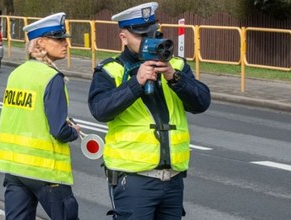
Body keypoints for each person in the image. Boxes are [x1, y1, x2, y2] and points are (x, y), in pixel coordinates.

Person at [88, 2, 211, 220]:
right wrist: (136, 83)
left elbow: (201, 102)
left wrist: (175, 77)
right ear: (123, 37)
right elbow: (100, 110)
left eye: (153, 33)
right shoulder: (111, 70)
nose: (149, 40)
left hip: (172, 180)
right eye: (142, 35)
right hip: (133, 180)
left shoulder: (176, 66)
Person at [0, 12, 81, 220]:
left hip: (15, 169)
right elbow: (59, 130)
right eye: (59, 39)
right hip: (45, 172)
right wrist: (74, 132)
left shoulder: (17, 73)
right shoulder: (52, 77)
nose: (65, 43)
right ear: (41, 43)